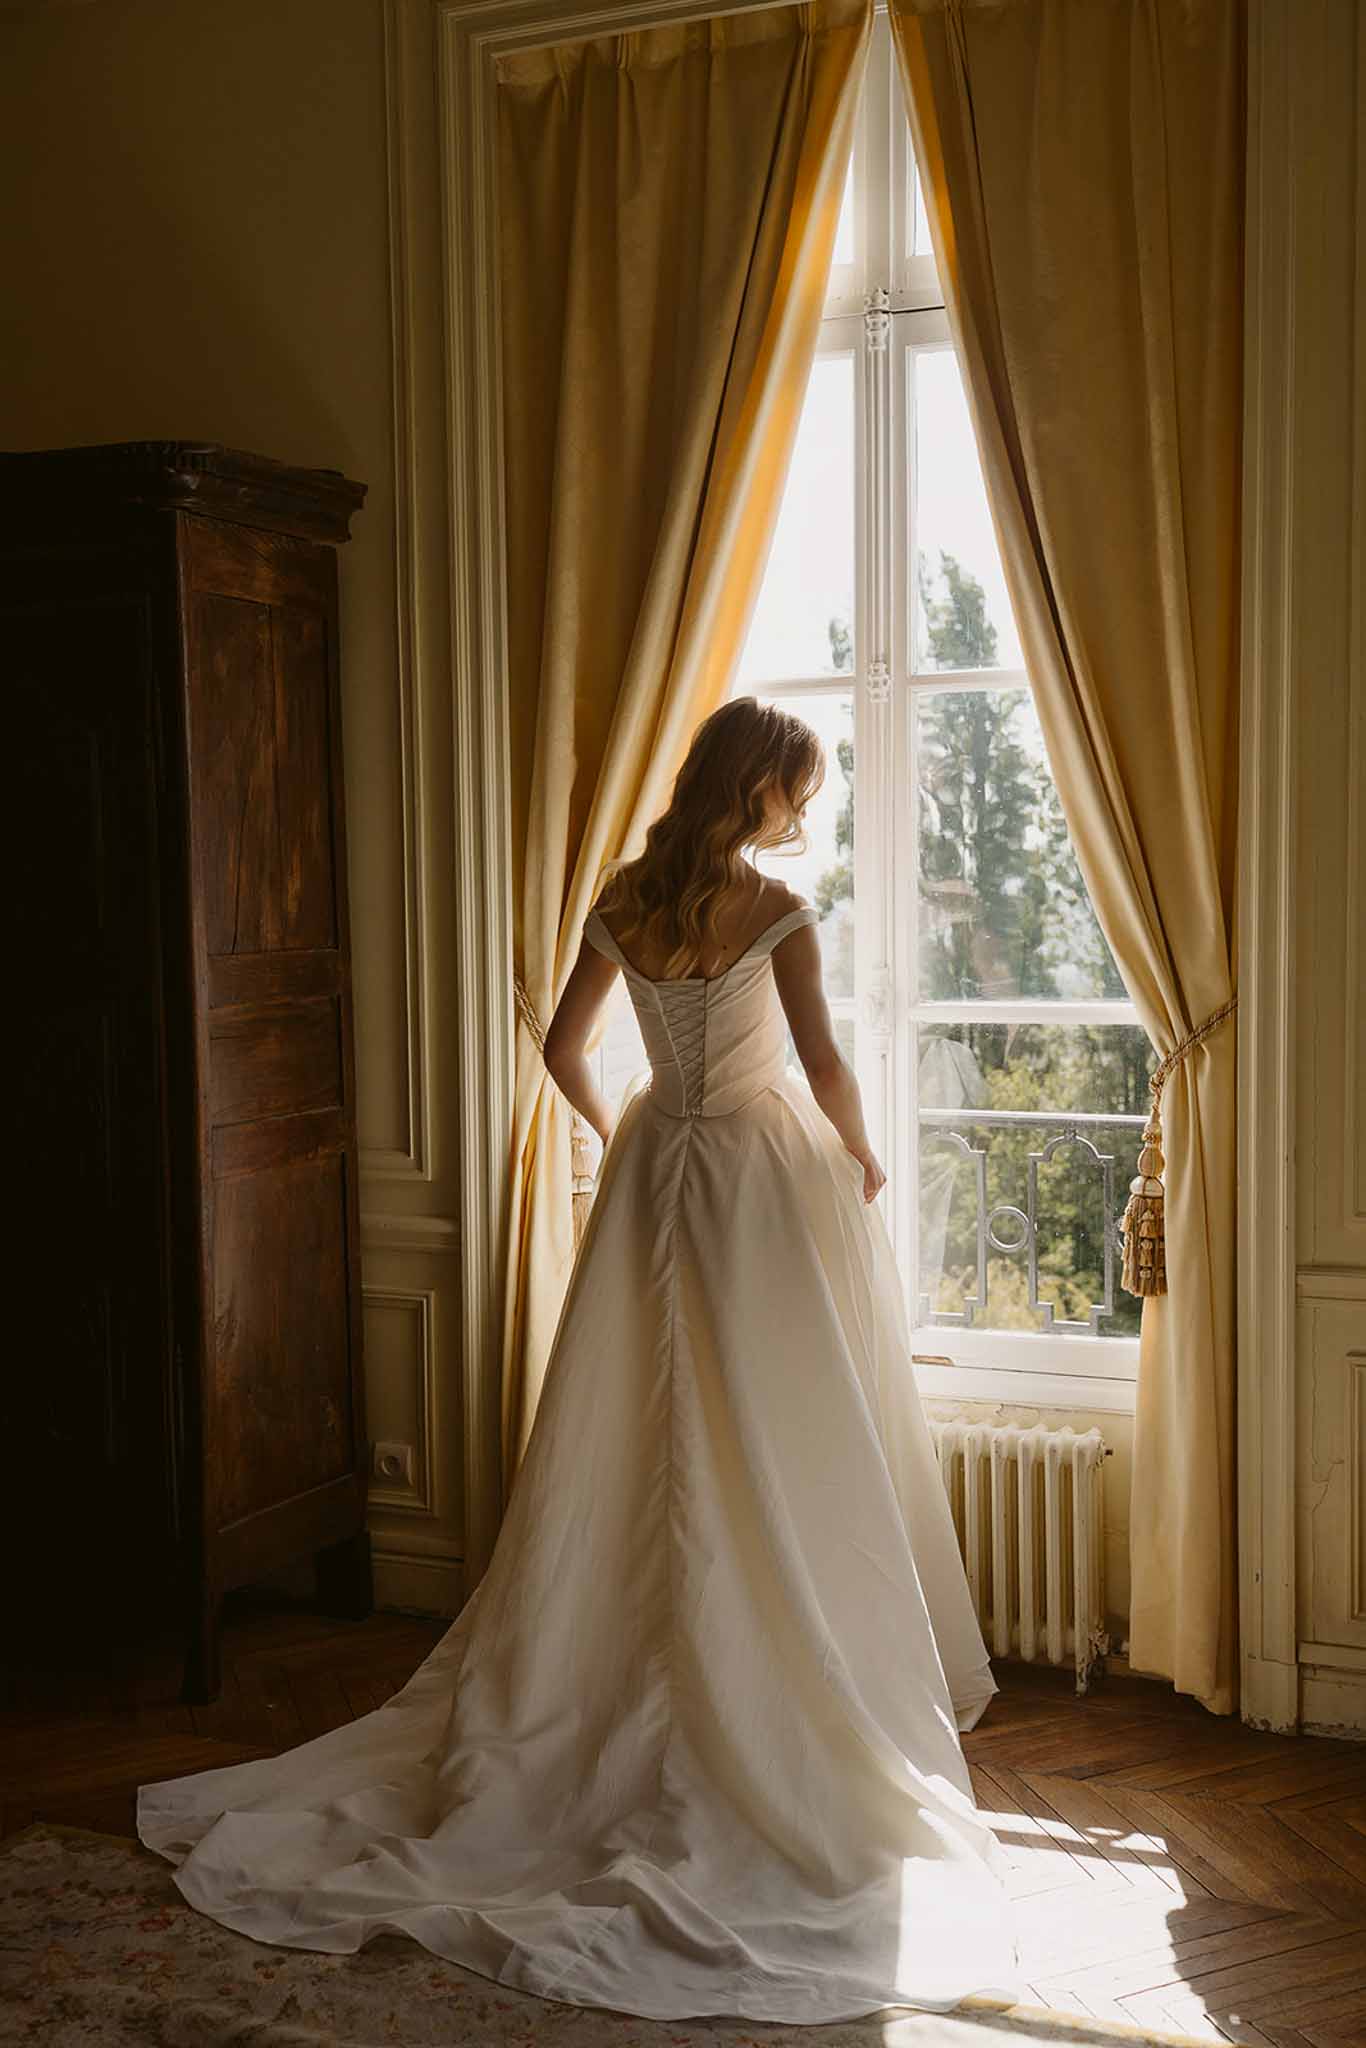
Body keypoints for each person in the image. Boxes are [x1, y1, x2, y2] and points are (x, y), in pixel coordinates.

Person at [137, 695, 1022, 2023]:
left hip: (658, 1169)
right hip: (760, 1181)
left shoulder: (621, 896)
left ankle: (615, 1667)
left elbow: (557, 1051)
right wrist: (861, 1155)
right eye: (798, 788)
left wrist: (629, 1129)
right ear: (759, 792)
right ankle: (773, 1666)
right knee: (774, 1421)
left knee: (641, 1423)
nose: (804, 809)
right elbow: (828, 1067)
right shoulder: (778, 912)